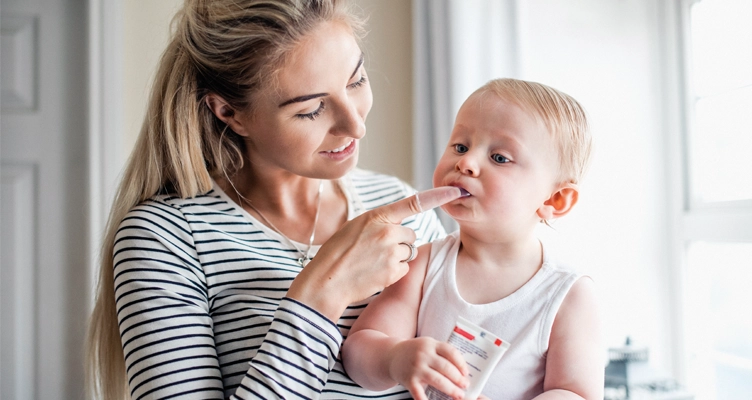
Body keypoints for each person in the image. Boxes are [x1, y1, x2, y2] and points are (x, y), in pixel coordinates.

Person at [84, 0, 463, 399]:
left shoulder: (400, 205)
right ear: (231, 112)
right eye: (312, 109)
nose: (356, 124)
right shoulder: (166, 238)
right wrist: (322, 296)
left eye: (356, 81)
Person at [342, 78, 604, 400]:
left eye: (499, 157)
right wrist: (395, 358)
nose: (465, 163)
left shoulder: (568, 295)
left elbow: (575, 393)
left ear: (555, 200)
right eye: (461, 146)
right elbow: (358, 350)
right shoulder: (424, 264)